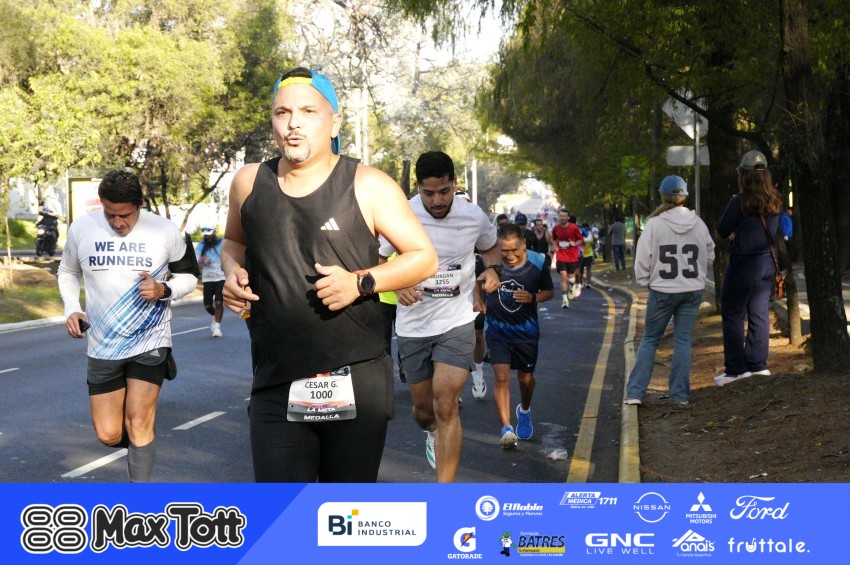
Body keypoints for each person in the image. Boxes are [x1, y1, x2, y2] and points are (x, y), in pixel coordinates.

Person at [220, 67, 438, 482]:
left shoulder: (367, 184)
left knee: (343, 512)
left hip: (354, 376)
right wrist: (232, 272)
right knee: (282, 512)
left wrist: (360, 282)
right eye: (283, 112)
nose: (293, 123)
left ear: (335, 121)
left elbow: (424, 257)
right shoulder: (248, 182)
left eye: (308, 111)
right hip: (276, 378)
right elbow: (234, 243)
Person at [58, 170, 199, 481]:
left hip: (150, 340)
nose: (117, 222)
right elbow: (67, 272)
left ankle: (139, 497)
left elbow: (189, 276)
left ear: (140, 204)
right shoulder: (82, 228)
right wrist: (73, 308)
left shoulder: (164, 230)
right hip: (102, 344)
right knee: (108, 434)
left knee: (138, 422)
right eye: (110, 214)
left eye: (125, 215)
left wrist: (164, 289)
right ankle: (141, 441)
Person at [380, 150, 500, 482]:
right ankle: (431, 431)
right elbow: (376, 257)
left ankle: (444, 493)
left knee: (446, 405)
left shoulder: (473, 216)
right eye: (429, 193)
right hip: (414, 324)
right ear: (418, 187)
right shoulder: (401, 214)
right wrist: (396, 283)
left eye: (444, 191)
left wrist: (493, 270)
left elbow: (491, 247)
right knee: (424, 411)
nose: (437, 200)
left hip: (456, 321)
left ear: (454, 184)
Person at [623, 176, 714, 406]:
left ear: (663, 196)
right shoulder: (698, 223)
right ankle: (680, 395)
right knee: (683, 341)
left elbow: (642, 258)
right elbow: (710, 254)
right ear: (684, 196)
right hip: (692, 289)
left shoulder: (655, 224)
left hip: (662, 290)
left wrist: (646, 281)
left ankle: (635, 393)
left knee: (650, 339)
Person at [481, 223, 553, 448]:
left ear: (524, 244)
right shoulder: (490, 262)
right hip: (497, 330)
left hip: (526, 331)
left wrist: (532, 297)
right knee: (501, 378)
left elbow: (549, 292)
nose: (510, 256)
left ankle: (524, 410)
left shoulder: (538, 262)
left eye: (515, 250)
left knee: (526, 380)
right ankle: (506, 429)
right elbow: (476, 281)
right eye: (504, 250)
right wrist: (477, 300)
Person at [714, 150, 782, 387]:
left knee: (732, 312)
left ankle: (735, 369)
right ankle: (758, 365)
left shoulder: (739, 201)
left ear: (743, 175)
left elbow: (722, 230)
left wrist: (735, 232)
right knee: (759, 313)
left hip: (744, 263)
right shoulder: (775, 200)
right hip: (768, 263)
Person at [550, 209, 584, 308]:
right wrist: (555, 246)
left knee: (571, 277)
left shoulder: (574, 228)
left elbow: (581, 240)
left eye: (564, 216)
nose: (562, 218)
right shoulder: (556, 228)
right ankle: (565, 301)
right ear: (559, 217)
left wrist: (575, 243)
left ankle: (572, 284)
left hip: (572, 256)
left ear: (568, 217)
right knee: (564, 277)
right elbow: (554, 239)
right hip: (561, 255)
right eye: (561, 216)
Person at [196, 225, 225, 337]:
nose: (207, 237)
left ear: (214, 232)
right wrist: (203, 259)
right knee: (208, 305)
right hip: (208, 278)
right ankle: (214, 316)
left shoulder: (222, 243)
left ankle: (217, 327)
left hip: (221, 277)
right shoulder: (201, 244)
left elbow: (228, 256)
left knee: (218, 302)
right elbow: (195, 257)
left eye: (209, 234)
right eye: (205, 235)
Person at [579, 222, 595, 289]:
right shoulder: (589, 234)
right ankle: (584, 283)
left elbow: (593, 244)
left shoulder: (589, 235)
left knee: (585, 269)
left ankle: (585, 283)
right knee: (585, 269)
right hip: (584, 254)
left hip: (586, 254)